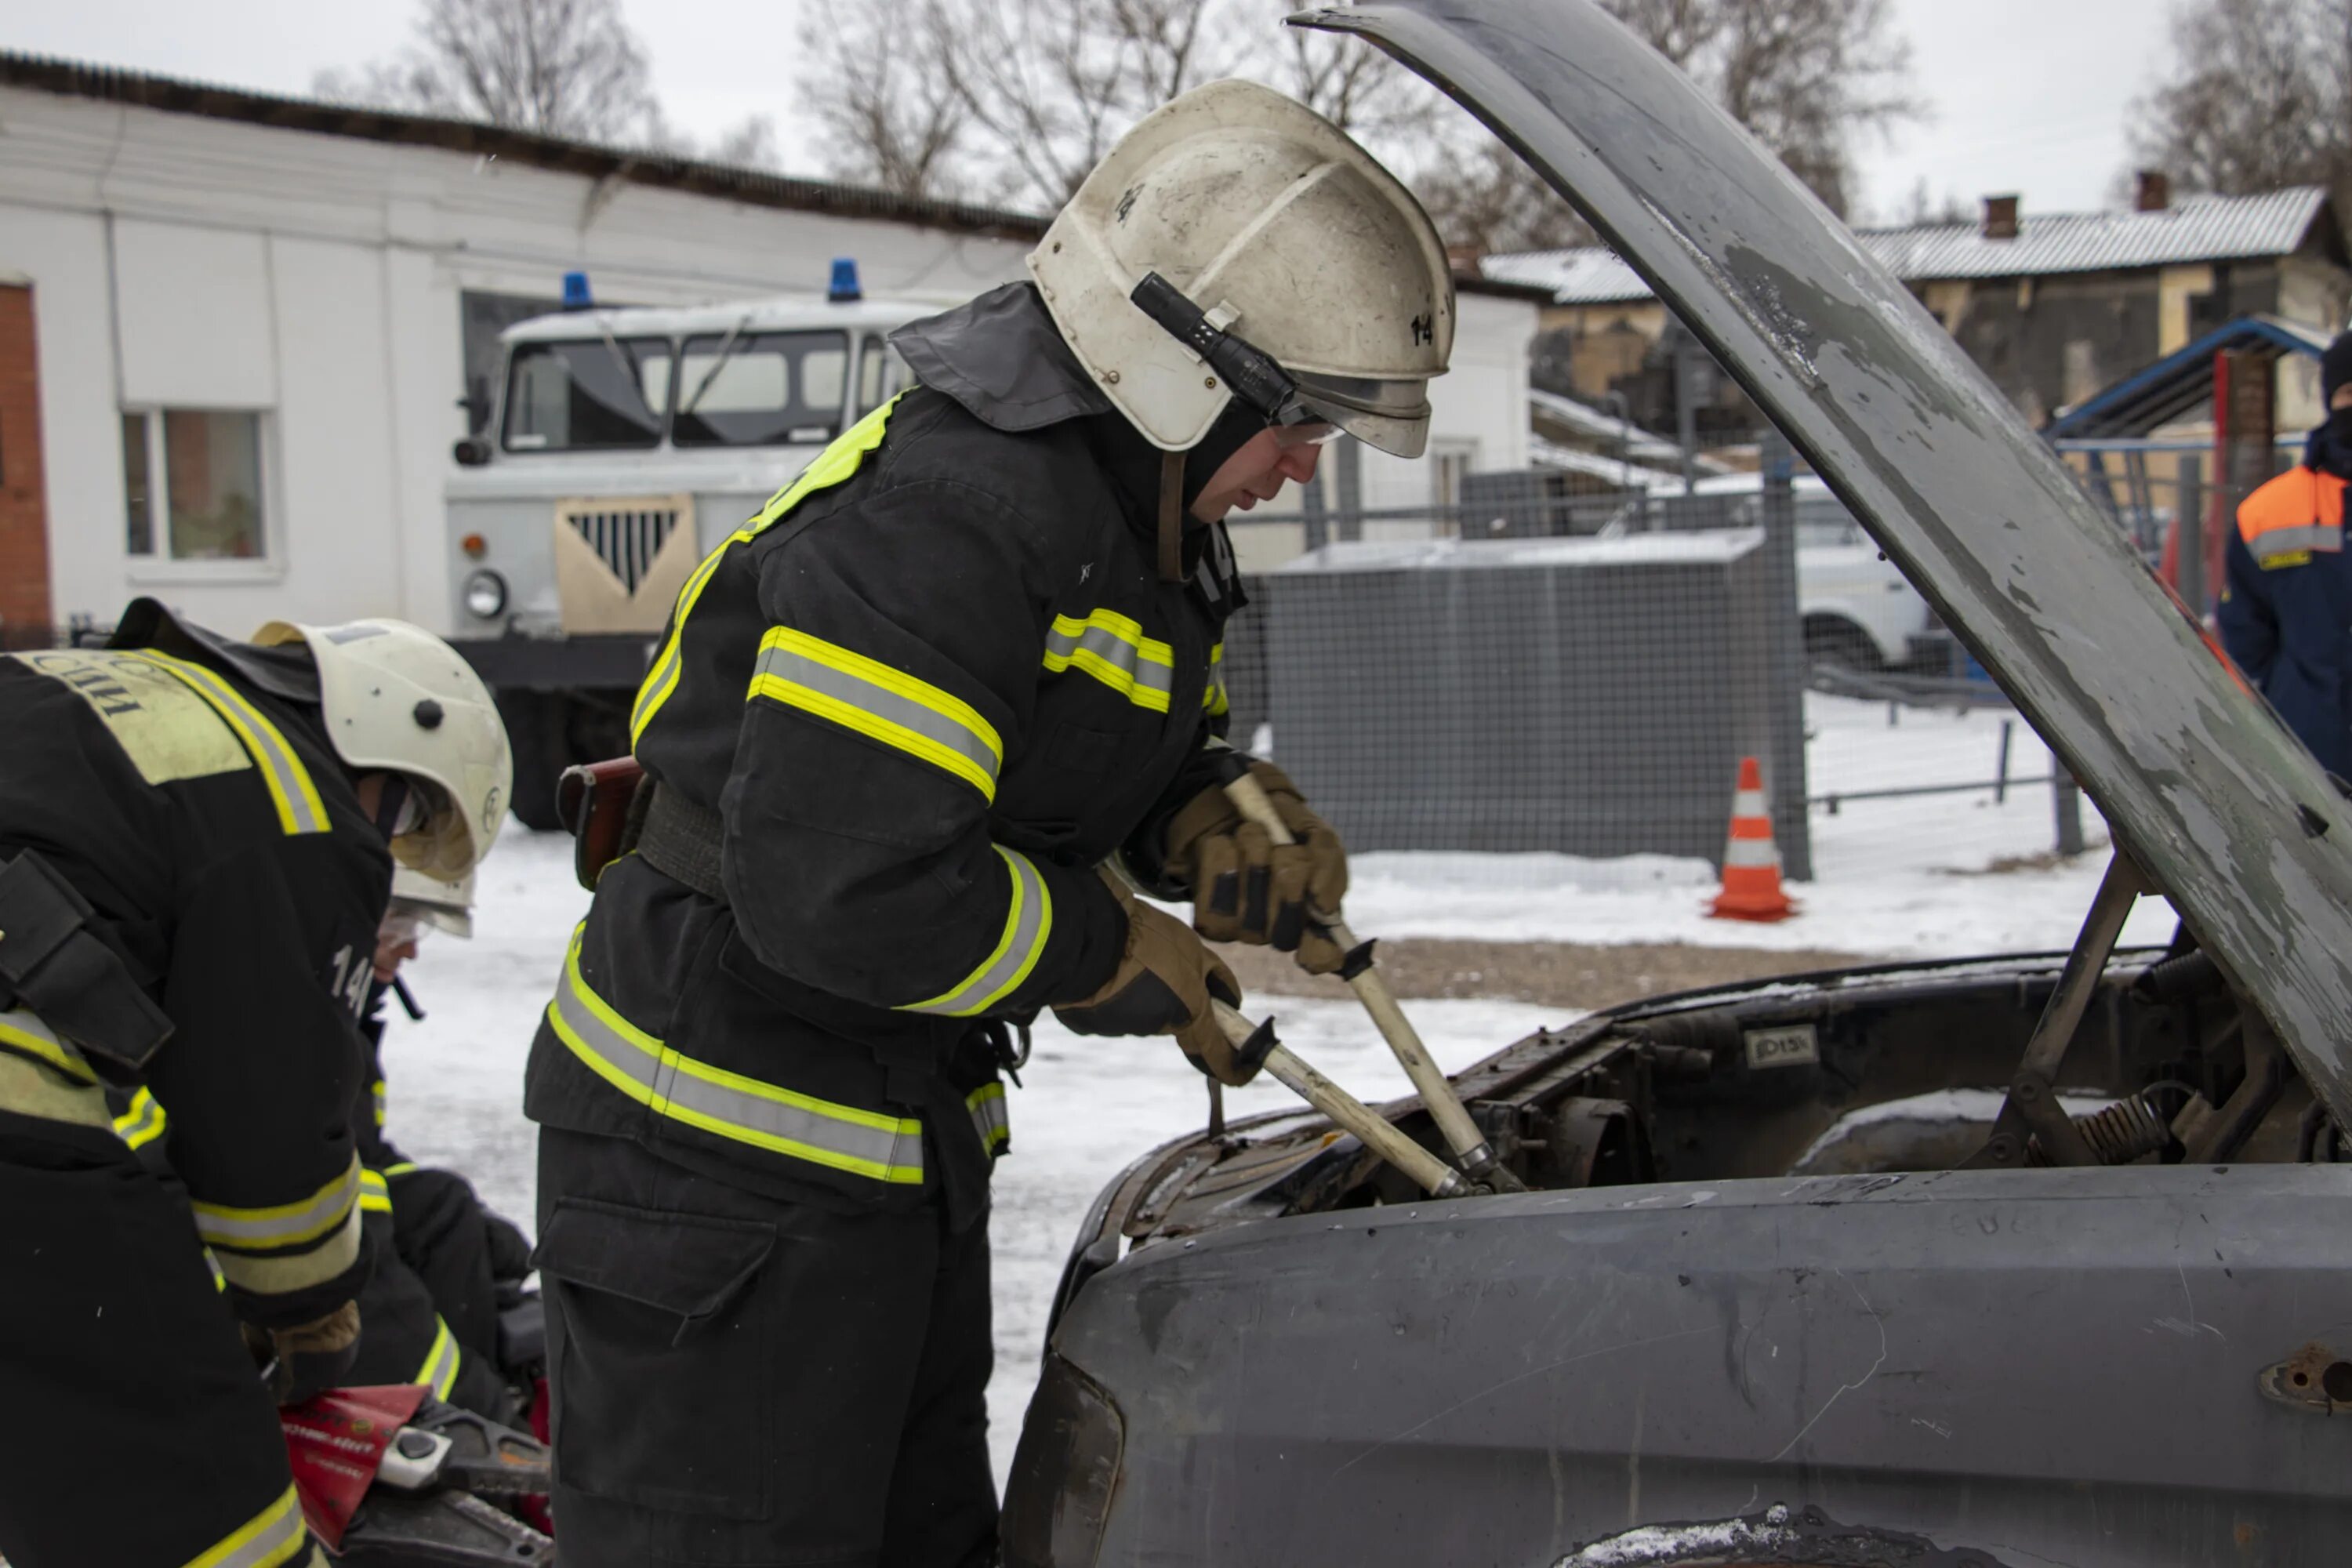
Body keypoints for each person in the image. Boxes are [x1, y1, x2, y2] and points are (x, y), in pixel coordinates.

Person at [522, 79, 1453, 1567]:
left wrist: (1208, 810)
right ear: (1181, 373)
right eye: (1297, 419)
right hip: (713, 1172)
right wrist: (1101, 949)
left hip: (875, 1158)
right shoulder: (953, 518)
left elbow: (1063, 749)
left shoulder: (1130, 518)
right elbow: (848, 888)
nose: (1305, 462)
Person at [0, 601, 510, 1568]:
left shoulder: (104, 696)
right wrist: (311, 1321)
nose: (382, 852)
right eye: (405, 817)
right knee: (218, 1523)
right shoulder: (298, 803)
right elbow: (264, 1133)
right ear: (380, 744)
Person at [346, 869, 535, 1420]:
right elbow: (353, 1244)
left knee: (441, 1206)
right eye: (397, 924)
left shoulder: (345, 1025)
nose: (410, 950)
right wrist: (477, 1409)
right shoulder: (306, 1039)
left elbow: (365, 1157)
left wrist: (469, 1220)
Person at [2219, 330, 2352, 776]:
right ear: (2330, 400)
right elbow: (2245, 634)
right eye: (2350, 391)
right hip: (2309, 767)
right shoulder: (2267, 513)